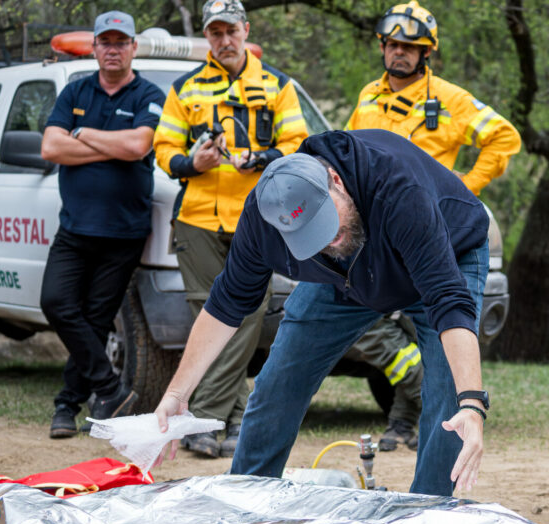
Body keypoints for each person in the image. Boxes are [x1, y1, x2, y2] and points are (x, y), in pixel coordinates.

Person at [155, 129, 492, 496]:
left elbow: (447, 299)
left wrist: (472, 404)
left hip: (447, 256)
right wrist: (178, 392)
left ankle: (426, 514)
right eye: (309, 234)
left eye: (324, 221)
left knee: (448, 395)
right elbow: (226, 305)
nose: (327, 238)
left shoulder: (395, 189)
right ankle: (248, 497)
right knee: (281, 376)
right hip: (344, 275)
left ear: (336, 181)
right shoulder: (264, 219)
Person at [344, 0, 520, 451]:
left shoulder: (451, 99)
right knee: (366, 320)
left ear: (427, 53)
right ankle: (411, 396)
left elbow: (505, 136)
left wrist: (468, 182)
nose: (399, 53)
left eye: (410, 46)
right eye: (393, 44)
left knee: (434, 328)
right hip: (375, 233)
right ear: (382, 46)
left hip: (430, 232)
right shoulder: (368, 96)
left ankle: (406, 423)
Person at [153, 0, 308, 458]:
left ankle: (206, 418)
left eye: (230, 31)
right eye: (215, 33)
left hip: (258, 218)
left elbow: (298, 145)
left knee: (246, 318)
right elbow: (163, 148)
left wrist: (261, 158)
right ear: (207, 36)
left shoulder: (278, 85)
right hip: (198, 218)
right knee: (213, 318)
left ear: (245, 30)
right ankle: (238, 417)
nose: (223, 40)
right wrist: (190, 162)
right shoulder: (185, 87)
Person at [39, 10, 166, 438]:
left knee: (95, 319)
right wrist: (104, 144)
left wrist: (82, 133)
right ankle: (110, 387)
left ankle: (66, 406)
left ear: (133, 47)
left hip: (124, 232)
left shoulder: (148, 94)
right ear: (95, 48)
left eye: (121, 42)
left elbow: (137, 145)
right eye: (105, 42)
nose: (113, 49)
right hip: (75, 228)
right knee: (55, 303)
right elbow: (51, 147)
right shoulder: (75, 90)